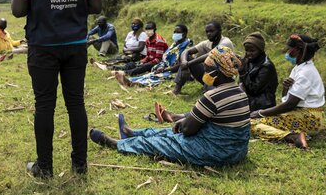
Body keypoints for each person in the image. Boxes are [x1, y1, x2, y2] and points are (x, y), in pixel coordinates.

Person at [11, 0, 101, 178]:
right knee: (76, 103)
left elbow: (17, 10)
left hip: (43, 45)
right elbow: (96, 6)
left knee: (44, 105)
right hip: (75, 44)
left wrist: (42, 0)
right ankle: (80, 165)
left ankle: (45, 168)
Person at [91, 46, 249, 166]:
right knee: (167, 131)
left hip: (217, 151)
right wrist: (185, 122)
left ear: (218, 72)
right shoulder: (240, 91)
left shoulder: (212, 96)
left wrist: (183, 124)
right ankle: (131, 133)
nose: (205, 72)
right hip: (237, 151)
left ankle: (116, 143)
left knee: (162, 142)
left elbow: (188, 131)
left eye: (208, 69)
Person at [250, 34, 325, 149]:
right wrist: (285, 88)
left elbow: (290, 104)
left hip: (309, 118)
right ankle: (296, 134)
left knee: (251, 124)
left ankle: (292, 137)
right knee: (259, 120)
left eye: (289, 49)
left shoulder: (305, 73)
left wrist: (261, 112)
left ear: (298, 50)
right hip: (303, 114)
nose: (287, 51)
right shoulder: (299, 69)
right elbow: (286, 99)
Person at [116, 24, 193, 87]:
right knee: (148, 71)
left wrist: (164, 69)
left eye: (178, 32)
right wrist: (160, 66)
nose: (175, 34)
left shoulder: (187, 46)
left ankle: (133, 82)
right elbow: (164, 58)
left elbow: (181, 64)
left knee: (155, 76)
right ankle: (130, 79)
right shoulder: (175, 44)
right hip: (163, 66)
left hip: (176, 70)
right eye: (174, 32)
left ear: (184, 33)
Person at [174, 21, 235, 95]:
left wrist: (188, 64)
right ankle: (176, 90)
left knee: (211, 65)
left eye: (212, 31)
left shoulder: (225, 42)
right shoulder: (207, 43)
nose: (209, 34)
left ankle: (209, 91)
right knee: (187, 58)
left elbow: (211, 54)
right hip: (208, 75)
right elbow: (186, 51)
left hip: (223, 78)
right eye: (207, 32)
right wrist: (184, 62)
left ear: (219, 31)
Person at [239, 32, 278, 112]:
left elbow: (254, 90)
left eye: (252, 51)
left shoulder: (266, 66)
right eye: (247, 50)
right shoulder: (248, 61)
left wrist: (243, 72)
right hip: (248, 103)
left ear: (260, 50)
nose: (249, 54)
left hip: (263, 107)